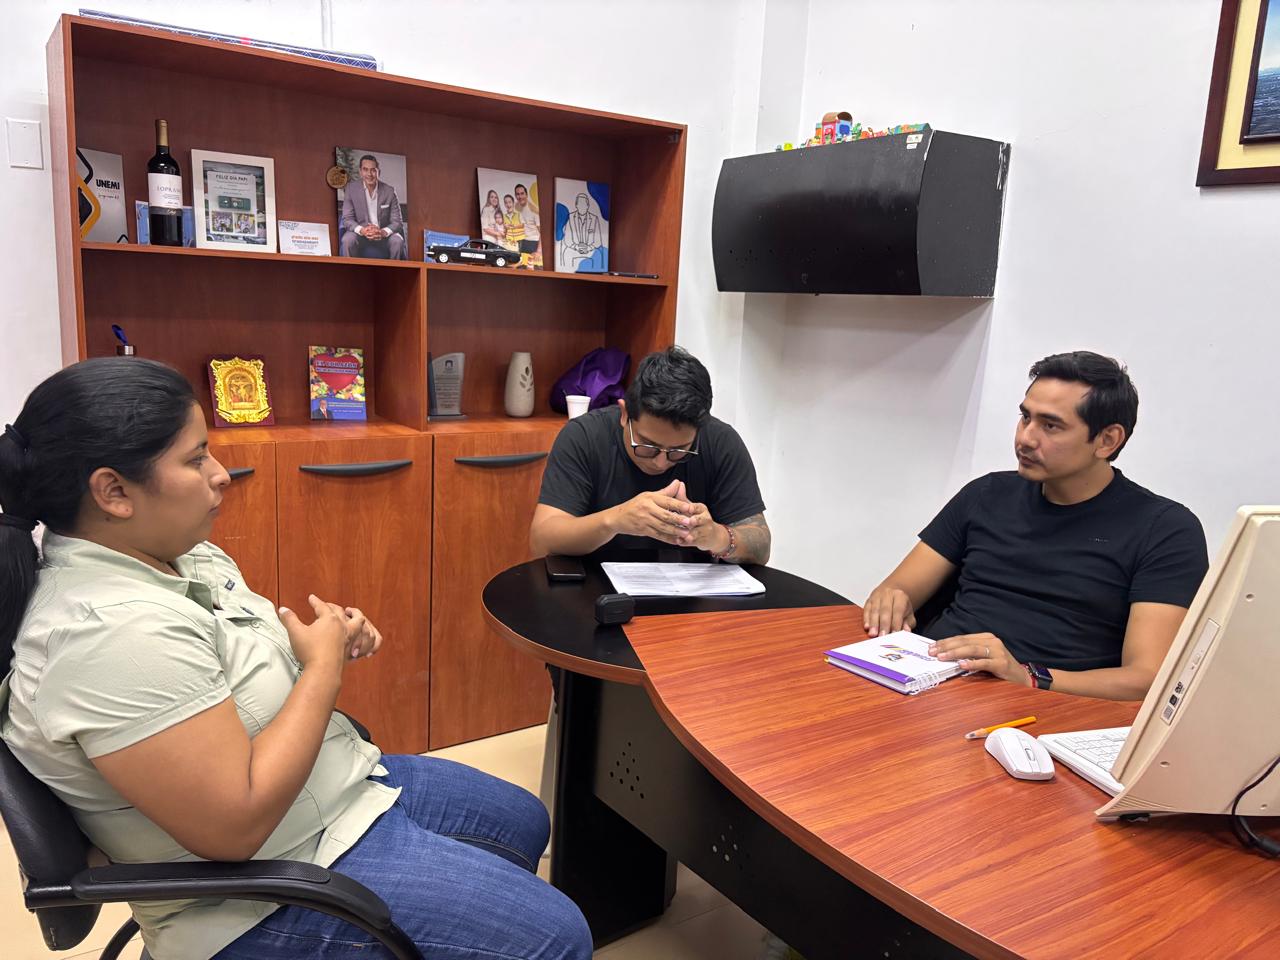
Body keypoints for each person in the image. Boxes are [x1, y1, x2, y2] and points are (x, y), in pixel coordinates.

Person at [0, 358, 590, 960]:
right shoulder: (109, 634)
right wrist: (323, 667)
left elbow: (229, 667)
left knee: (521, 819)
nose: (221, 475)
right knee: (556, 936)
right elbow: (234, 827)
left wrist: (323, 638)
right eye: (196, 459)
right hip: (253, 896)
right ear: (114, 492)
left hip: (324, 798)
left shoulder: (179, 555)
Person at [863, 350, 1208, 701]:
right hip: (928, 678)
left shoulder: (1165, 530)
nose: (1026, 438)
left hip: (1043, 703)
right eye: (1025, 417)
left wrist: (1028, 677)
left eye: (1050, 425)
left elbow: (1146, 679)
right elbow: (899, 588)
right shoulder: (986, 493)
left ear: (1107, 440)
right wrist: (890, 600)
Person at [530, 345, 771, 563]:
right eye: (647, 446)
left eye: (678, 451)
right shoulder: (584, 437)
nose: (660, 462)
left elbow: (761, 547)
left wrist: (716, 537)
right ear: (625, 414)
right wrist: (615, 520)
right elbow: (542, 541)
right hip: (594, 589)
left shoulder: (721, 442)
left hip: (692, 593)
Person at [339, 154, 406, 260]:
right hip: (360, 234)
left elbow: (397, 222)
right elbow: (347, 219)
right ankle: (350, 270)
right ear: (360, 172)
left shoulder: (389, 191)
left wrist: (382, 232)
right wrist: (363, 230)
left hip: (383, 235)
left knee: (398, 241)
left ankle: (394, 270)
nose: (369, 174)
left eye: (373, 170)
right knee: (347, 240)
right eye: (365, 169)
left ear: (379, 172)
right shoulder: (351, 189)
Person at [513, 183, 541, 266]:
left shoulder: (534, 210)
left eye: (522, 193)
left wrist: (539, 251)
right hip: (521, 242)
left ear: (526, 194)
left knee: (531, 268)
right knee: (519, 268)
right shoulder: (516, 206)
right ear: (515, 196)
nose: (520, 196)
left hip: (533, 243)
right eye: (518, 194)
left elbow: (542, 233)